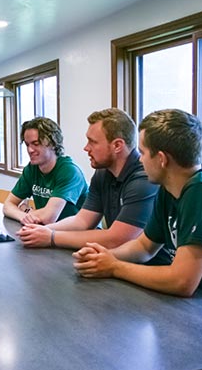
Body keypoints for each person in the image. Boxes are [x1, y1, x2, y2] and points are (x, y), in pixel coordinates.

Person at [73, 109, 202, 314]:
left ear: (162, 159)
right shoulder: (169, 187)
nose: (139, 160)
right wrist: (105, 257)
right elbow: (144, 246)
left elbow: (182, 281)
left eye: (142, 153)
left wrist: (114, 267)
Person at [17, 108, 172, 264]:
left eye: (93, 142)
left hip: (152, 270)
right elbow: (82, 221)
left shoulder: (144, 179)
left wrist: (51, 237)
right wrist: (46, 230)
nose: (86, 148)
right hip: (118, 262)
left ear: (117, 145)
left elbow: (116, 239)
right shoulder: (103, 173)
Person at [3, 116, 88, 225]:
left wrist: (26, 210)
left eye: (36, 144)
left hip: (78, 236)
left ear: (53, 143)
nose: (30, 150)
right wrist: (24, 215)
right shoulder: (31, 169)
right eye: (27, 144)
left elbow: (48, 217)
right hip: (47, 230)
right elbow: (8, 205)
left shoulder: (69, 171)